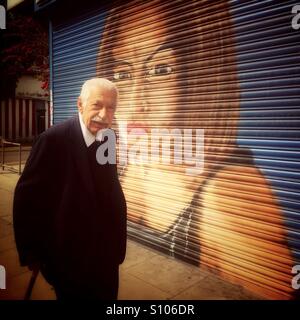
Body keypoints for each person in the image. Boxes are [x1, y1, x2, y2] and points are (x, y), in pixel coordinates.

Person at [96, 0, 295, 299]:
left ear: (201, 72)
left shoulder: (228, 195)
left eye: (160, 69)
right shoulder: (126, 161)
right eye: (122, 74)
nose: (135, 102)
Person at [13, 78, 127, 300]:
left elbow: (111, 188)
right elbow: (26, 199)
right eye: (97, 105)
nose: (104, 115)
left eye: (111, 107)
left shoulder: (108, 138)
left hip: (106, 256)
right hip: (68, 258)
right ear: (80, 104)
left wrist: (117, 244)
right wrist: (32, 253)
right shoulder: (52, 140)